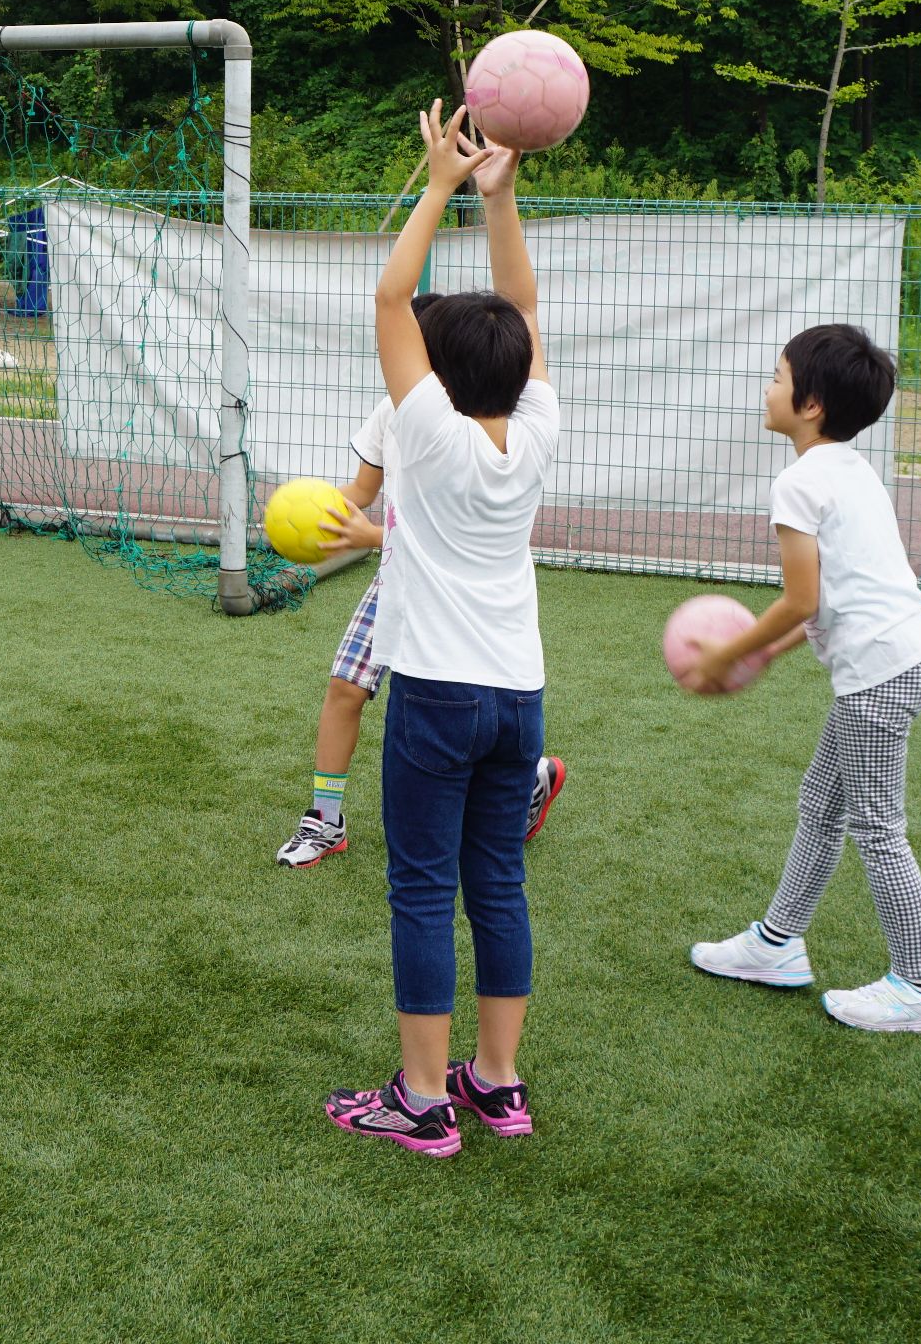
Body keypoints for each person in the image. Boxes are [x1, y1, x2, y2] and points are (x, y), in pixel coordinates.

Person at [324, 104, 559, 1158]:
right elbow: (521, 300)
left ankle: (422, 1097)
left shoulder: (426, 432)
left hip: (435, 691)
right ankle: (496, 1081)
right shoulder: (538, 424)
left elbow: (388, 295)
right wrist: (499, 196)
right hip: (519, 697)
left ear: (438, 376)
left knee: (422, 889)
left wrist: (437, 184)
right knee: (496, 883)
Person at [683, 325, 921, 1034]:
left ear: (809, 405)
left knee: (876, 828)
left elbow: (802, 599)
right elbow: (841, 589)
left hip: (879, 675)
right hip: (903, 658)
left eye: (776, 377)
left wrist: (725, 655)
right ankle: (776, 943)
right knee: (821, 802)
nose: (766, 389)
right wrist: (768, 655)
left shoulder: (800, 481)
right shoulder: (850, 467)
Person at [275, 366, 567, 871]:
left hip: (460, 591)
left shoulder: (478, 422)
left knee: (467, 708)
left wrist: (370, 537)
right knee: (345, 687)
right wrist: (306, 513)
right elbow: (362, 493)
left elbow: (455, 534)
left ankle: (522, 787)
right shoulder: (392, 411)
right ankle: (325, 821)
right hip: (398, 578)